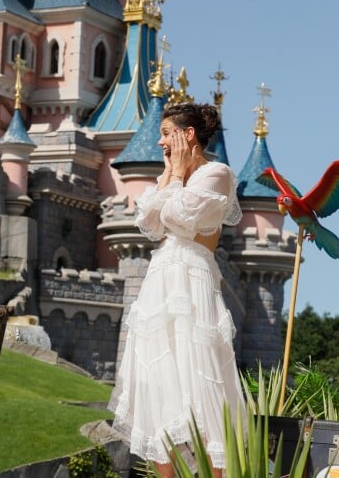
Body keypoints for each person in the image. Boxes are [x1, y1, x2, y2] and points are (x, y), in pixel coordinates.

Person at [109, 102, 245, 477]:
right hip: (160, 282)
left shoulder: (217, 174)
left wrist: (177, 177)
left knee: (199, 376)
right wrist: (171, 174)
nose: (159, 140)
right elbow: (149, 223)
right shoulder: (172, 176)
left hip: (192, 280)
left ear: (189, 135)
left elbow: (180, 219)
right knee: (158, 380)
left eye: (167, 132)